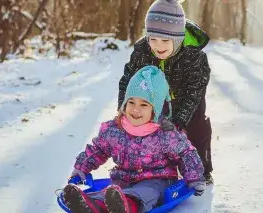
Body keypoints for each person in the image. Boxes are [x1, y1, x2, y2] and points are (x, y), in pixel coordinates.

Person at [63, 65, 206, 213]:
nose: (135, 109)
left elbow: (186, 153)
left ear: (155, 109)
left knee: (145, 193)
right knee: (108, 193)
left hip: (157, 181)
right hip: (123, 181)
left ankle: (125, 207)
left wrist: (194, 177)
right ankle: (89, 206)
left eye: (144, 104)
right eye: (131, 102)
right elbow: (97, 150)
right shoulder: (114, 130)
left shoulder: (165, 134)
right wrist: (81, 168)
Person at [117, 0, 213, 184]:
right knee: (149, 126)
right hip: (155, 96)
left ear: (177, 38)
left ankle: (201, 168)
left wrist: (179, 120)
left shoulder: (193, 56)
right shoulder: (142, 50)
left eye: (165, 40)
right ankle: (152, 167)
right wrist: (123, 107)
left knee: (195, 127)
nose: (158, 46)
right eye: (152, 39)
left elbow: (195, 90)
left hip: (187, 98)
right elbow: (128, 79)